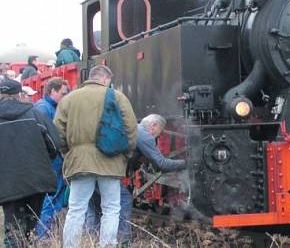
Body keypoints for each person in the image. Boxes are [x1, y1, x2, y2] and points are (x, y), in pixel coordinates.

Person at [54, 65, 137, 248]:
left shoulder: (69, 99)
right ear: (106, 79)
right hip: (111, 160)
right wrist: (127, 154)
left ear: (90, 78)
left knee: (76, 209)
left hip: (79, 160)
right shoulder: (117, 97)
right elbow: (131, 129)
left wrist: (69, 152)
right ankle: (107, 245)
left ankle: (70, 245)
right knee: (111, 208)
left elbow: (57, 131)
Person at [86, 114, 186, 244]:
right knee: (124, 199)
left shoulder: (132, 129)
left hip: (91, 167)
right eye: (158, 133)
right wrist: (186, 163)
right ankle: (123, 240)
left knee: (94, 206)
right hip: (105, 171)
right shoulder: (144, 135)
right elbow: (161, 164)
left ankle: (89, 240)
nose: (156, 137)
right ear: (153, 126)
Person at [0, 78, 64, 248]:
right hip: (36, 179)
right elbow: (54, 145)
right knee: (30, 226)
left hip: (7, 183)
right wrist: (40, 161)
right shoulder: (36, 114)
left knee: (12, 229)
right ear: (19, 94)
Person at [33, 77, 70, 238]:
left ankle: (47, 233)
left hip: (53, 159)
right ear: (52, 91)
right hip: (51, 161)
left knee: (55, 198)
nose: (65, 97)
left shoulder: (49, 107)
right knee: (50, 198)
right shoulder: (43, 108)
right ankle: (43, 236)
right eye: (63, 93)